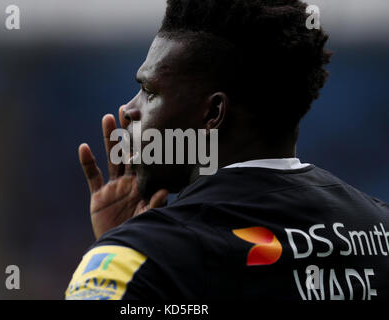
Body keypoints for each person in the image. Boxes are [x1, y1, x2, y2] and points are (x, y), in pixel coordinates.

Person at [65, 0, 389, 300]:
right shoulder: (380, 231)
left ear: (212, 113)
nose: (128, 110)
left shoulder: (139, 260)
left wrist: (122, 254)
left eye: (149, 92)